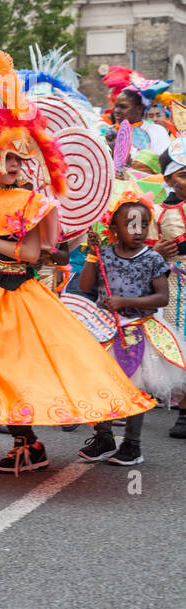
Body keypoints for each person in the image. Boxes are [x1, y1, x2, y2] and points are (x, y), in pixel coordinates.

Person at [0, 52, 155, 480]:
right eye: (7, 158)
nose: (15, 166)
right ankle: (25, 446)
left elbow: (33, 255)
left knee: (5, 370)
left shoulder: (32, 202)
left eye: (20, 159)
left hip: (17, 299)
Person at [75, 189, 186, 467]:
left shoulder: (152, 258)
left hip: (138, 330)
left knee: (135, 386)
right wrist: (91, 255)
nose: (138, 231)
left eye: (143, 225)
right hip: (105, 329)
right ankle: (103, 437)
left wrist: (125, 301)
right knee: (100, 382)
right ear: (113, 228)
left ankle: (132, 444)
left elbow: (162, 297)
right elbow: (87, 286)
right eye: (130, 224)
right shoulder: (103, 255)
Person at [152, 136, 186, 439]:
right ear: (168, 179)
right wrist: (158, 253)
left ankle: (185, 412)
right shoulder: (158, 212)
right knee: (172, 338)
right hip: (172, 285)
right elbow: (147, 249)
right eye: (183, 174)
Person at [103, 66, 171, 155]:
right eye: (116, 107)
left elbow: (162, 163)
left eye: (123, 107)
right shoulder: (107, 132)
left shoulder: (156, 131)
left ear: (139, 108)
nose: (117, 111)